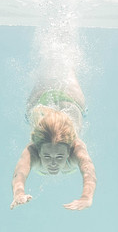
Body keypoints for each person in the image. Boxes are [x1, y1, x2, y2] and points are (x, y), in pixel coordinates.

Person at [10, 73, 97, 211]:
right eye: (47, 156)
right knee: (52, 69)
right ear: (38, 151)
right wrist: (18, 193)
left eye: (60, 157)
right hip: (73, 101)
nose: (53, 163)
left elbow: (89, 172)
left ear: (69, 151)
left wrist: (87, 197)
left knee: (56, 69)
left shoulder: (77, 148)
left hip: (51, 99)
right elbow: (19, 174)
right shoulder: (32, 152)